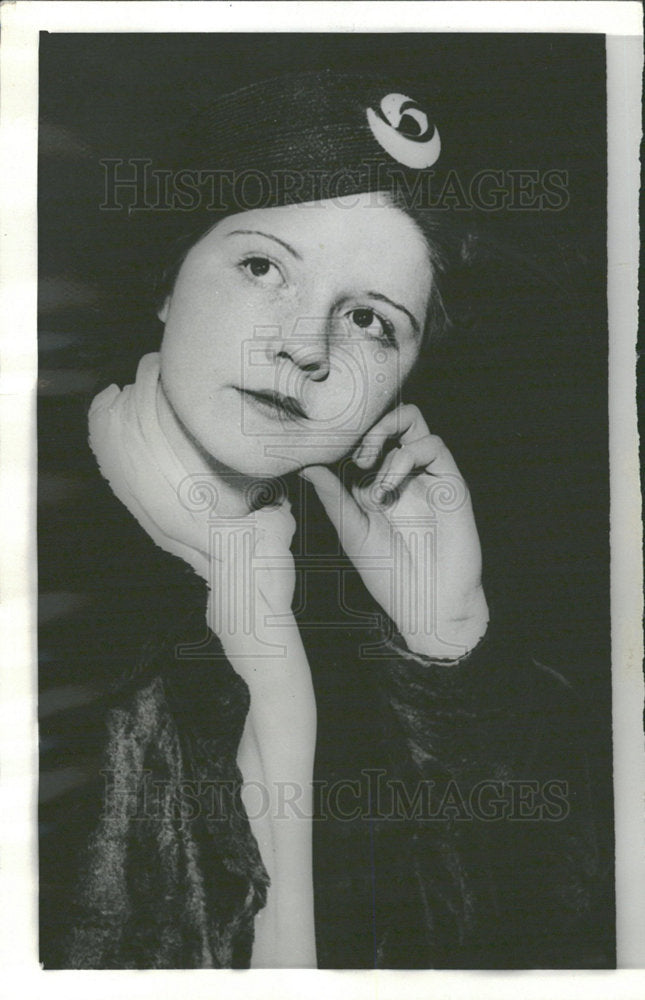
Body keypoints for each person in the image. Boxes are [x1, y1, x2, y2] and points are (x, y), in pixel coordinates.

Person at [39, 70, 608, 969]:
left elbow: (540, 936)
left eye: (371, 321)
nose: (305, 347)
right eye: (262, 266)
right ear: (167, 279)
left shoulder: (346, 620)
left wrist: (444, 645)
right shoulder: (40, 566)